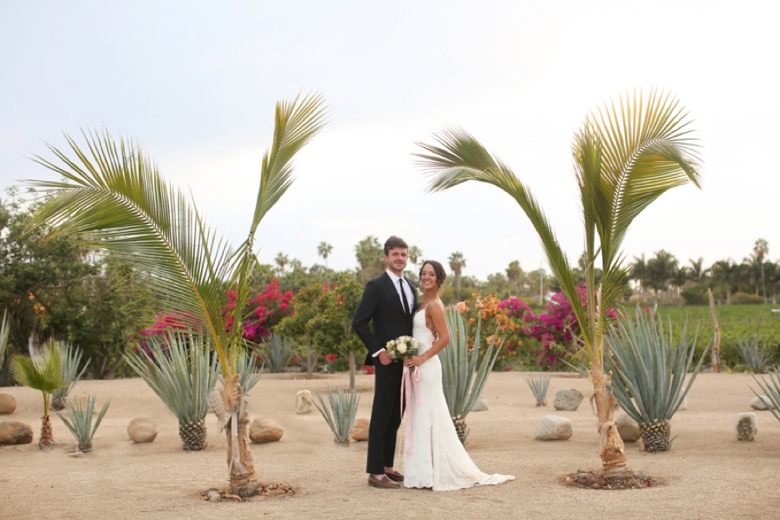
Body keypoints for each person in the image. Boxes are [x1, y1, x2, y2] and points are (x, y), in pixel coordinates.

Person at [402, 260, 515, 491]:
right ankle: (423, 472)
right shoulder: (421, 303)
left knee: (430, 415)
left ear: (439, 279)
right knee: (420, 418)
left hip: (428, 367)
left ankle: (433, 472)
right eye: (423, 273)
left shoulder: (434, 305)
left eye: (431, 274)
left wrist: (421, 358)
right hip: (416, 366)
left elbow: (445, 338)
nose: (426, 277)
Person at [352, 235, 418, 489]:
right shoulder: (376, 286)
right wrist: (379, 350)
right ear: (386, 257)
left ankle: (388, 466)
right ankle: (375, 473)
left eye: (403, 254)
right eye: (395, 254)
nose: (400, 258)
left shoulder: (411, 285)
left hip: (408, 362)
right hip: (387, 361)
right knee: (381, 414)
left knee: (396, 414)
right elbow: (359, 322)